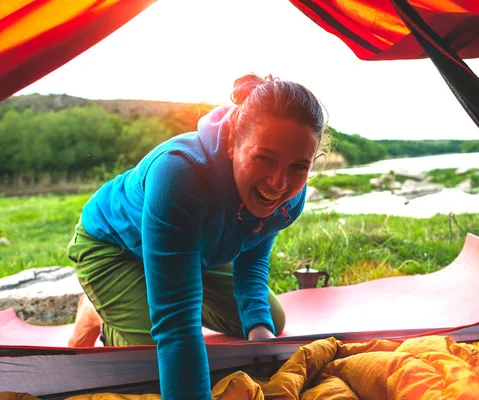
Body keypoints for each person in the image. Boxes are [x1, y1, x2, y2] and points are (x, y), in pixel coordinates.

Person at [66, 73, 327, 399]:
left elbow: (252, 252)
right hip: (113, 247)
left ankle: (164, 284)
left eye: (298, 167)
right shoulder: (179, 174)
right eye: (264, 158)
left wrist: (258, 325)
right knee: (155, 356)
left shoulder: (290, 195)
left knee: (270, 319)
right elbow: (178, 327)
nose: (278, 183)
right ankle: (103, 314)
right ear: (233, 143)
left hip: (191, 247)